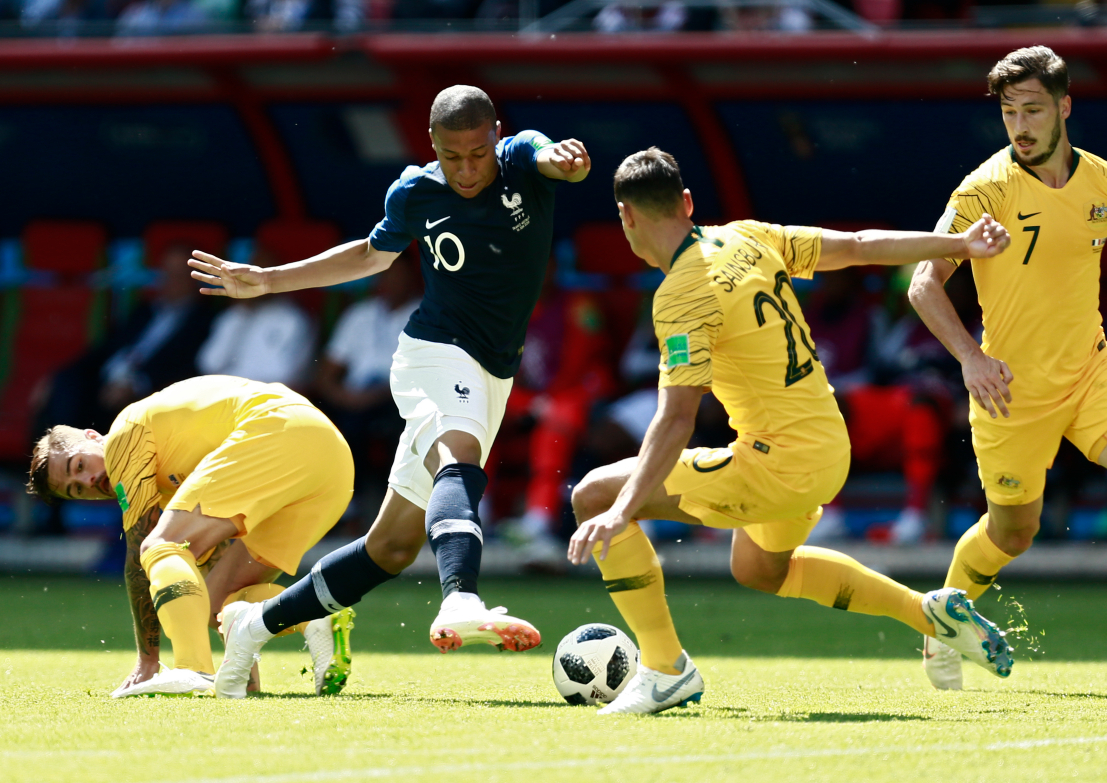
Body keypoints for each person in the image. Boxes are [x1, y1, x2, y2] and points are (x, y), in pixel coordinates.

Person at [566, 147, 1015, 715]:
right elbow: (859, 246)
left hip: (778, 463)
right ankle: (928, 612)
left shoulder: (679, 296)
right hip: (828, 446)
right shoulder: (746, 235)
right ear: (686, 202)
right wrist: (960, 244)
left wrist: (621, 509)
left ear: (626, 218)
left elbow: (677, 417)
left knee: (593, 495)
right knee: (758, 568)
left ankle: (663, 669)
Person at [188, 84, 591, 697]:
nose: (466, 169)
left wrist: (566, 161)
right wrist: (267, 280)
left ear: (495, 136)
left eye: (477, 154)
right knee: (458, 454)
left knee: (392, 547)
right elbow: (370, 257)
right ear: (432, 145)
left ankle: (254, 622)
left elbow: (545, 154)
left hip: (492, 371)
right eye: (452, 156)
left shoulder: (520, 158)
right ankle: (460, 598)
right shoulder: (414, 192)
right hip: (433, 354)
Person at [908, 46, 1107, 690]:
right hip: (1009, 392)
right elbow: (923, 284)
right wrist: (970, 358)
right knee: (1013, 532)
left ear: (1064, 107)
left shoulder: (1101, 182)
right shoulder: (985, 189)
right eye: (1009, 112)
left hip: (1090, 373)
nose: (1019, 125)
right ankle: (942, 622)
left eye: (1032, 110)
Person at [26, 375, 356, 698]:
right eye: (77, 489)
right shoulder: (173, 491)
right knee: (219, 600)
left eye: (79, 464)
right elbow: (208, 572)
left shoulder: (123, 436)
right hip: (332, 468)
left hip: (278, 429)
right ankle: (315, 618)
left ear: (93, 436)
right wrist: (242, 674)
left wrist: (148, 659)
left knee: (158, 545)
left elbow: (140, 550)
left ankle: (193, 669)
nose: (92, 480)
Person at [315, 251, 421, 513]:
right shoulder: (359, 314)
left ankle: (397, 508)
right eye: (385, 272)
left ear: (412, 277)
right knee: (331, 425)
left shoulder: (425, 313)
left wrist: (374, 396)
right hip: (354, 396)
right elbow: (327, 373)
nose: (390, 279)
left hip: (400, 397)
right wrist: (343, 397)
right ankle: (346, 507)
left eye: (397, 272)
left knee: (394, 427)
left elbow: (422, 375)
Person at [196, 244, 316, 389]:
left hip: (267, 399)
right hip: (223, 394)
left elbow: (289, 375)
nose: (255, 279)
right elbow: (209, 364)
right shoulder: (233, 315)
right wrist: (243, 313)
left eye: (262, 272)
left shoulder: (293, 320)